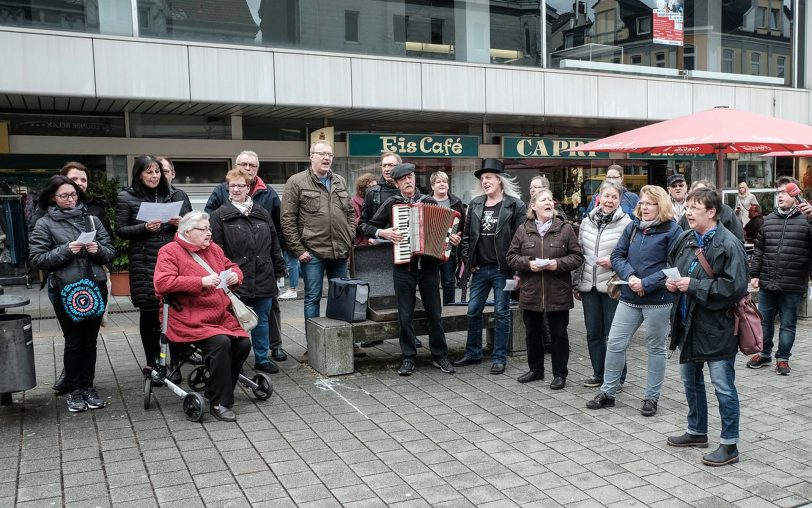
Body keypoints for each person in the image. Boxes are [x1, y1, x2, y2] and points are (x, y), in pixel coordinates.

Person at [666, 187, 748, 467]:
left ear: (711, 212)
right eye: (687, 207)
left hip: (717, 326)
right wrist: (673, 283)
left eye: (694, 208)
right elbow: (675, 266)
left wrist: (694, 285)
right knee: (690, 381)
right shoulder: (687, 238)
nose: (688, 212)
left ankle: (729, 444)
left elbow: (735, 288)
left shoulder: (728, 243)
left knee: (723, 385)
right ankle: (697, 431)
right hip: (688, 323)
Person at [586, 185, 682, 416]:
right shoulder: (633, 227)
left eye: (649, 203)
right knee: (615, 343)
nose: (643, 207)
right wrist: (630, 277)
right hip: (629, 297)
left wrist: (646, 283)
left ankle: (651, 398)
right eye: (641, 202)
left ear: (662, 206)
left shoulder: (674, 231)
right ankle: (608, 392)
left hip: (658, 299)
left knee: (655, 349)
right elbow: (617, 256)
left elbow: (674, 266)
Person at [362, 163, 460, 375]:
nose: (408, 181)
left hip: (428, 267)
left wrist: (451, 240)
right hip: (404, 268)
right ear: (396, 183)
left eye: (411, 177)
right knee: (404, 316)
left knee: (435, 313)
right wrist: (383, 233)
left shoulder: (429, 201)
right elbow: (364, 226)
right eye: (403, 179)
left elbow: (445, 235)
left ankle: (440, 355)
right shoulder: (391, 203)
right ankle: (408, 357)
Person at [154, 211, 251, 422]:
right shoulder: (169, 251)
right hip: (187, 317)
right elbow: (162, 284)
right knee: (221, 343)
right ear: (187, 231)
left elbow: (231, 266)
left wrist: (236, 275)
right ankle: (219, 402)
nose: (209, 233)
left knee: (243, 343)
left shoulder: (214, 249)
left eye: (209, 229)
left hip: (218, 315)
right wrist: (200, 282)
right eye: (204, 229)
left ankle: (214, 389)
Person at [29, 175, 114, 412]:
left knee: (91, 341)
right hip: (65, 288)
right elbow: (37, 259)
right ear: (53, 198)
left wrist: (97, 250)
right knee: (74, 341)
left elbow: (110, 253)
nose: (70, 199)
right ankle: (74, 391)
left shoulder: (92, 220)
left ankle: (89, 387)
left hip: (94, 285)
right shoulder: (44, 224)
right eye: (64, 195)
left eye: (73, 194)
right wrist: (66, 250)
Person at [205, 150, 288, 362]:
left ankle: (262, 358)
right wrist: (222, 274)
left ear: (248, 187)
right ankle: (236, 360)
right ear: (227, 189)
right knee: (233, 320)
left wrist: (279, 271)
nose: (237, 189)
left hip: (263, 274)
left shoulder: (262, 211)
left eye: (241, 186)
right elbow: (216, 248)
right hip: (235, 276)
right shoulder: (219, 215)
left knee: (262, 319)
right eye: (233, 186)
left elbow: (274, 241)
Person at [115, 155, 192, 382]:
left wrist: (183, 223)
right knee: (150, 316)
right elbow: (120, 230)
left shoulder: (177, 195)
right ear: (139, 174)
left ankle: (177, 362)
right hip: (145, 262)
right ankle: (153, 365)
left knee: (178, 312)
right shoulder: (126, 197)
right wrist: (144, 228)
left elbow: (192, 224)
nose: (154, 176)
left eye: (157, 172)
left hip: (176, 260)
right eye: (149, 172)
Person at [453, 159, 526, 375]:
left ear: (500, 180)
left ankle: (499, 357)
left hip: (503, 270)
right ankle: (473, 353)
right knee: (473, 310)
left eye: (489, 178)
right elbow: (466, 237)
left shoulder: (515, 205)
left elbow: (520, 239)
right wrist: (470, 261)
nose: (485, 181)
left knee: (502, 312)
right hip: (480, 269)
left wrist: (517, 270)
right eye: (482, 178)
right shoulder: (475, 204)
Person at [507, 189, 583, 388]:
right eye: (543, 200)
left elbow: (577, 257)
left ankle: (560, 374)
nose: (549, 202)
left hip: (557, 291)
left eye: (551, 199)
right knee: (532, 333)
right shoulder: (523, 229)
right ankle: (536, 370)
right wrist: (528, 263)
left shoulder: (565, 229)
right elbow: (511, 256)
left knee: (559, 335)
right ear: (533, 206)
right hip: (531, 291)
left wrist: (558, 264)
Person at [281, 141, 355, 337]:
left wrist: (350, 237)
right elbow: (287, 219)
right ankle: (313, 347)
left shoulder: (340, 180)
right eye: (322, 154)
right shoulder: (296, 182)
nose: (327, 158)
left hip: (339, 250)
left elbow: (349, 213)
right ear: (311, 156)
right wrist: (299, 250)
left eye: (330, 154)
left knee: (341, 297)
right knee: (312, 298)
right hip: (312, 252)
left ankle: (342, 342)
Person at [746, 176, 812, 375]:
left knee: (788, 323)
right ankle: (764, 354)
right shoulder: (769, 219)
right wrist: (754, 274)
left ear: (796, 193)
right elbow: (759, 249)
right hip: (768, 281)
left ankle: (783, 358)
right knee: (764, 321)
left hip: (793, 282)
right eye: (778, 193)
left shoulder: (807, 220)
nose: (780, 196)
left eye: (784, 191)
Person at [573, 180, 631, 388]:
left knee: (614, 336)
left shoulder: (627, 224)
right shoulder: (587, 221)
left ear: (620, 200)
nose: (610, 201)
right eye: (607, 196)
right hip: (589, 285)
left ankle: (618, 377)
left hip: (613, 286)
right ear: (599, 197)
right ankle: (599, 373)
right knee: (593, 333)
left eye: (614, 197)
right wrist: (576, 283)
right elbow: (579, 252)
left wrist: (613, 261)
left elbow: (631, 256)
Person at [430, 170, 466, 306]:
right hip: (431, 250)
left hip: (449, 250)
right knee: (431, 283)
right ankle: (434, 310)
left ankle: (449, 309)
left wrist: (459, 237)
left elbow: (464, 226)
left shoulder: (456, 202)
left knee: (449, 282)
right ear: (432, 186)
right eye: (438, 182)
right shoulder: (426, 201)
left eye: (444, 181)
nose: (442, 184)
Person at [678, 180, 744, 242]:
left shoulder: (727, 212)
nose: (696, 197)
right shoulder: (687, 216)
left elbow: (738, 239)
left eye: (701, 193)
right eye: (694, 193)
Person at [358, 152, 402, 244]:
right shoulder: (372, 192)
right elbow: (362, 225)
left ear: (399, 167)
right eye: (384, 165)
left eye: (390, 165)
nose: (387, 169)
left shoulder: (407, 191)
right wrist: (380, 233)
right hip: (380, 248)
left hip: (404, 247)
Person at [351, 172, 378, 246]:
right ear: (363, 188)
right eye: (371, 187)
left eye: (376, 187)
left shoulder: (376, 200)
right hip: (362, 243)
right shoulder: (353, 202)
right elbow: (351, 224)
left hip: (376, 241)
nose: (374, 190)